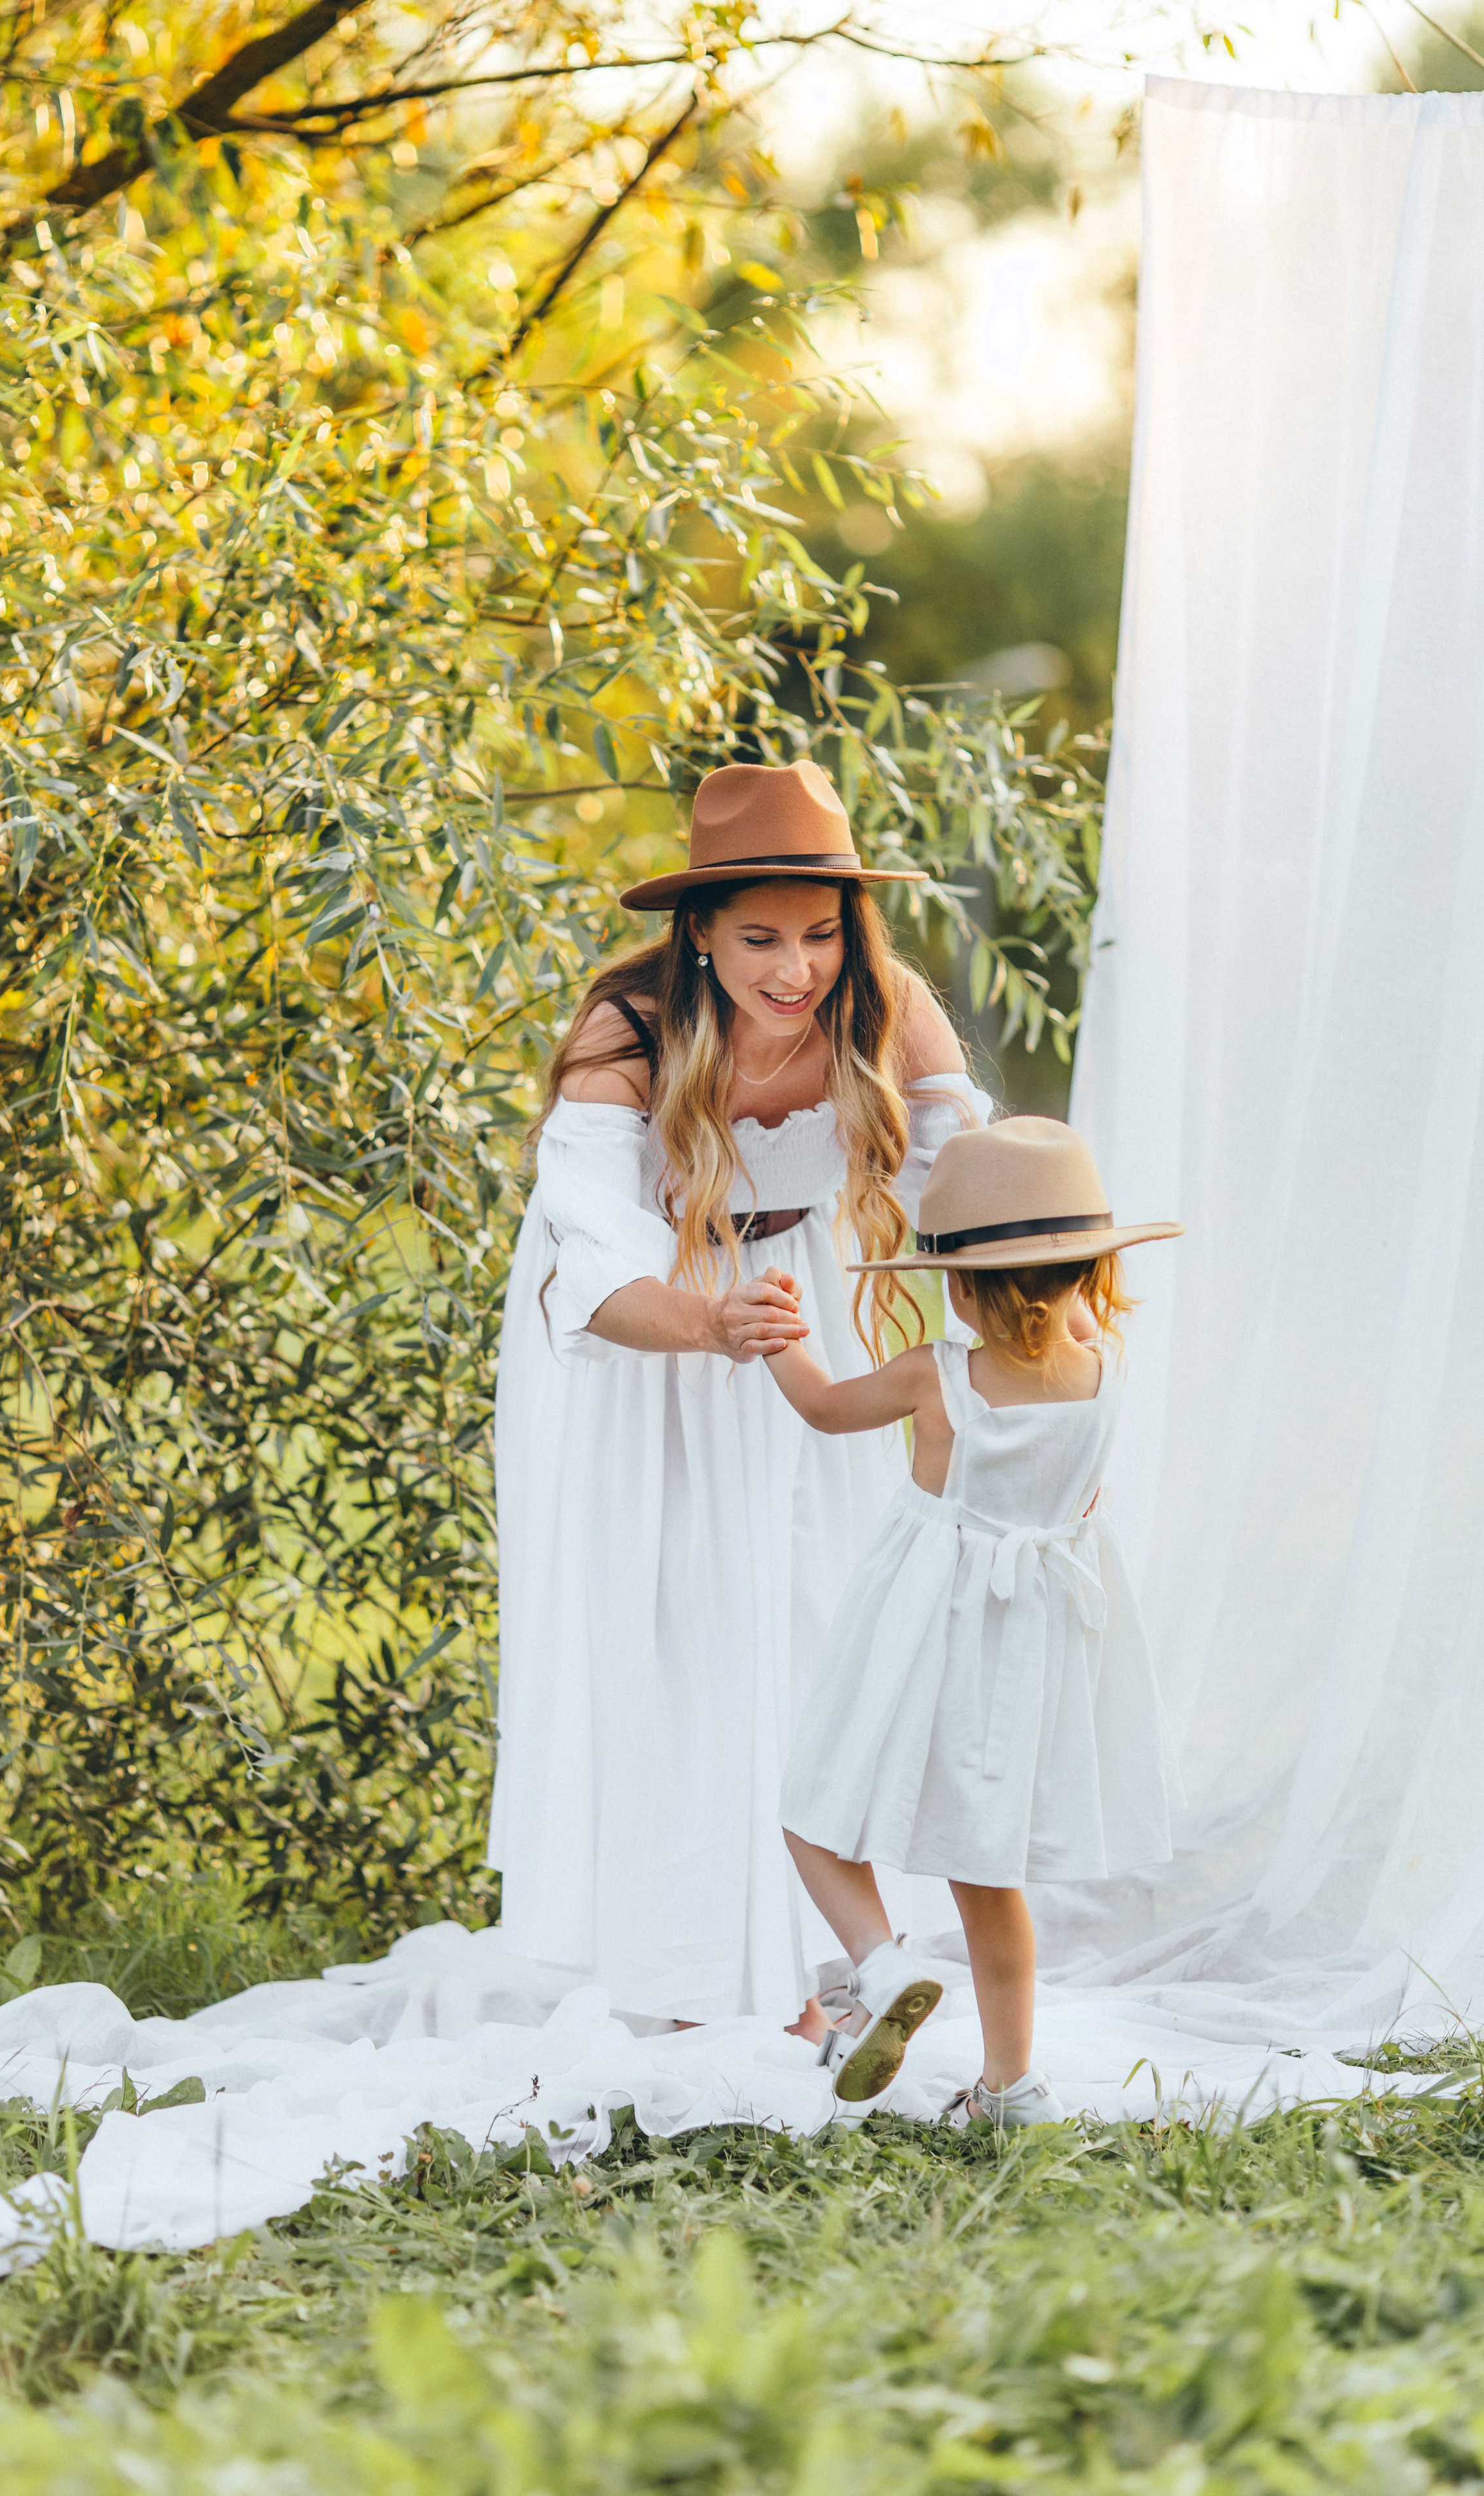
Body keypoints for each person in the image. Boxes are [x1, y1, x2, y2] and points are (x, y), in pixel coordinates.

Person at [489, 759, 990, 2033]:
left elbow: (971, 1204)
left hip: (797, 1310)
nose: (796, 968)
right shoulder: (627, 1039)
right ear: (698, 933)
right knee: (682, 1638)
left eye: (819, 934)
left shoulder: (886, 1013)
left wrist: (1037, 1360)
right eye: (760, 936)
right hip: (648, 1338)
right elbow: (593, 1269)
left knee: (820, 1624)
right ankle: (706, 1978)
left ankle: (833, 1968)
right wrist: (706, 1321)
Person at [762, 1116, 1184, 2118]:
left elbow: (823, 1407)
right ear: (1087, 1273)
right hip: (1031, 1657)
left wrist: (780, 1334)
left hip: (924, 1640)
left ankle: (876, 1967)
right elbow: (1068, 1319)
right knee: (988, 1880)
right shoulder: (1103, 1365)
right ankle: (1012, 2085)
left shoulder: (938, 1376)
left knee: (817, 1811)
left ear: (953, 1283)